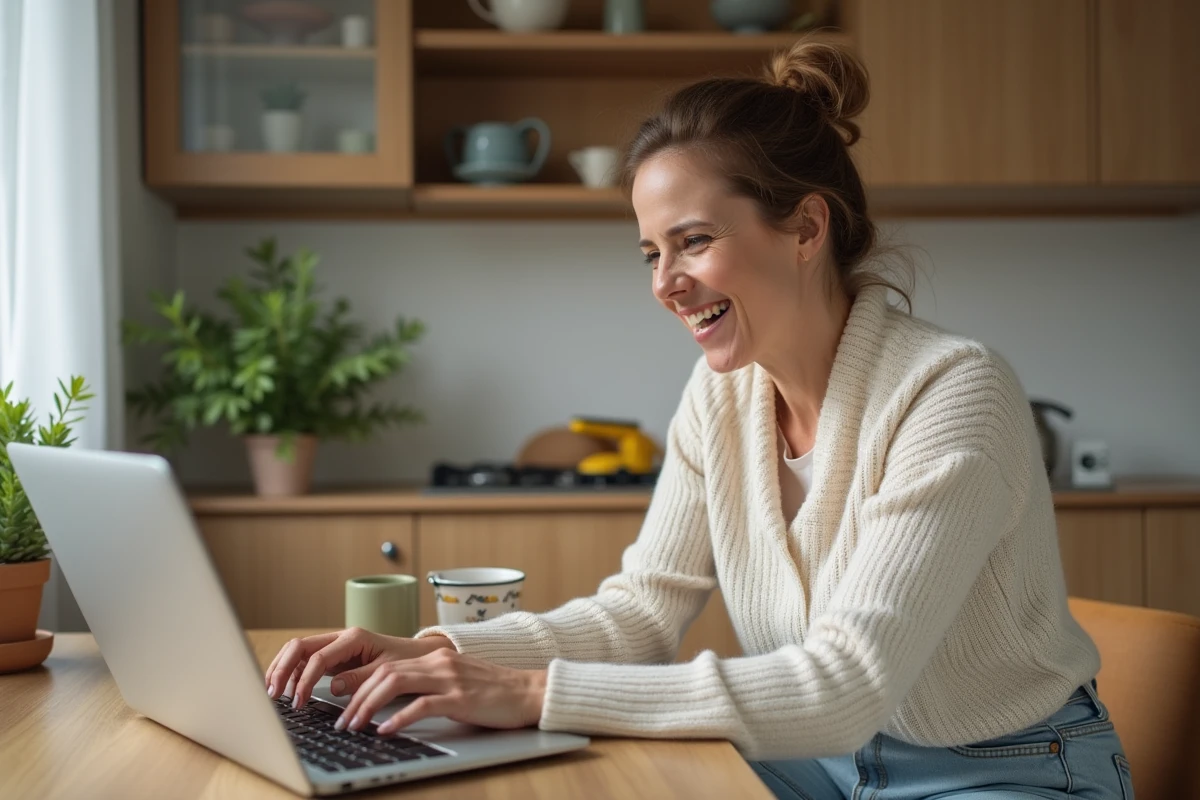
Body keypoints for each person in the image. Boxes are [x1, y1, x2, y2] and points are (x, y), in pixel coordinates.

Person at [265, 39, 1131, 798]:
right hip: (826, 764)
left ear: (804, 228)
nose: (663, 283)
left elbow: (846, 685)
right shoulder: (722, 395)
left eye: (693, 241)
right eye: (651, 251)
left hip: (1008, 767)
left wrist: (531, 694)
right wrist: (436, 654)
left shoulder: (951, 393)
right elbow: (642, 614)